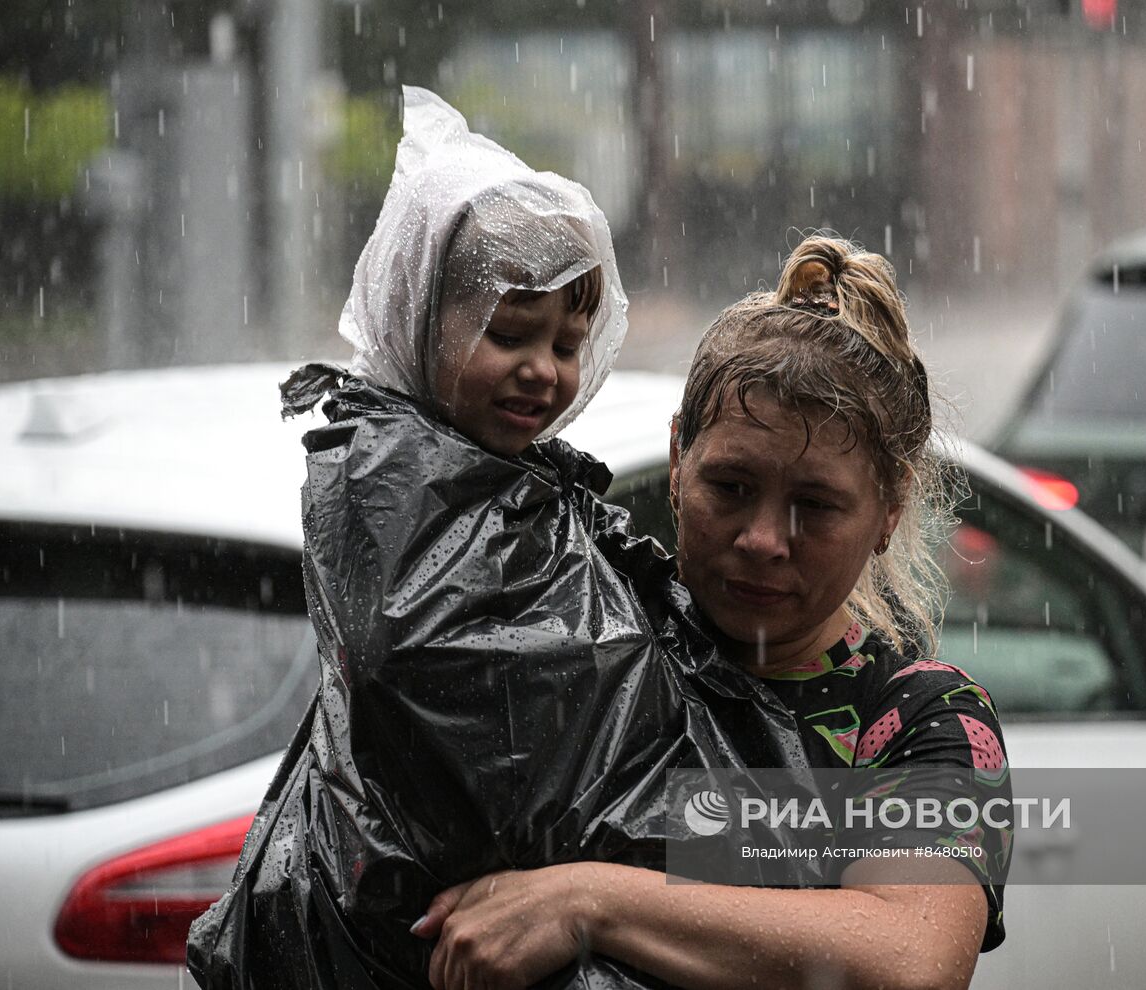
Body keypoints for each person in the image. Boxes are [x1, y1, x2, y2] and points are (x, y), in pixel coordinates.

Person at [187, 88, 814, 990]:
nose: (543, 371)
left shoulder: (519, 490)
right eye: (508, 333)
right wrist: (740, 856)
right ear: (417, 312)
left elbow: (915, 948)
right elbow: (506, 743)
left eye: (568, 345)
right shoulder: (398, 482)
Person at [410, 235, 1010, 990]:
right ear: (676, 463)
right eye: (729, 487)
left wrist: (587, 901)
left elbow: (908, 959)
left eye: (815, 506)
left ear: (888, 510)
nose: (762, 540)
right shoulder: (589, 640)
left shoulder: (922, 719)